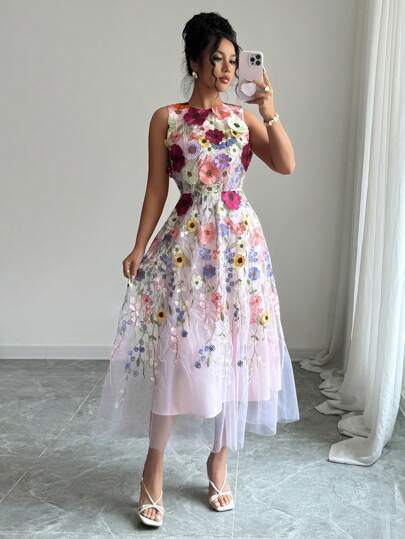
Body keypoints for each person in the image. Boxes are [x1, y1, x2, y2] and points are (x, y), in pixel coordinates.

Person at [97, 11, 300, 528]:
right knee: (180, 352)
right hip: (188, 249)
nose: (228, 70)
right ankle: (153, 469)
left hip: (240, 250)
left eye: (233, 61)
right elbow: (155, 188)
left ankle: (219, 463)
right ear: (194, 62)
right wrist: (138, 246)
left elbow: (285, 164)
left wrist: (270, 111)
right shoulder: (166, 119)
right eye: (218, 60)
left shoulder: (243, 119)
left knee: (233, 352)